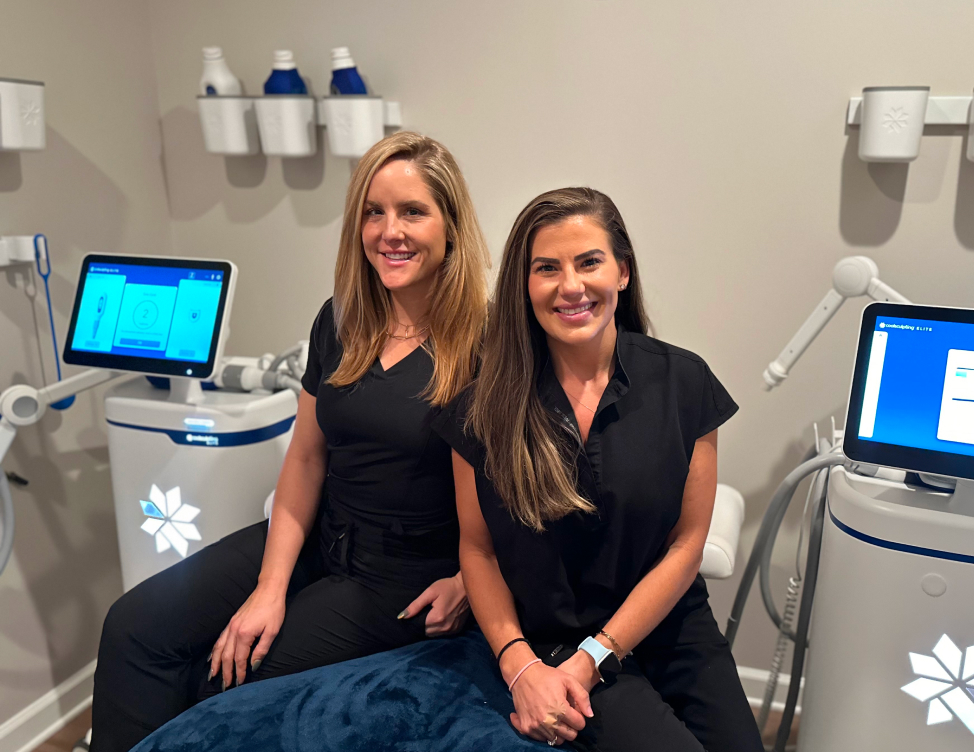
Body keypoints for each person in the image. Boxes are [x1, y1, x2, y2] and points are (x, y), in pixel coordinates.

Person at [90, 132, 490, 752]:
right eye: (374, 212)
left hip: (401, 578)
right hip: (321, 536)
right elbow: (306, 458)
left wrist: (468, 579)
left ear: (451, 226)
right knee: (133, 628)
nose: (390, 232)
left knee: (221, 679)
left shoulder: (485, 342)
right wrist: (269, 587)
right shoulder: (342, 319)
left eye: (412, 212)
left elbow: (515, 490)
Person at [434, 187, 764, 752]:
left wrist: (599, 655)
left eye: (589, 262)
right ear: (523, 285)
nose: (571, 286)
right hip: (555, 640)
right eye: (547, 268)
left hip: (671, 626)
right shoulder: (481, 410)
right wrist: (519, 666)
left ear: (623, 272)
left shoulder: (684, 384)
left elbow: (687, 545)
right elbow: (478, 550)